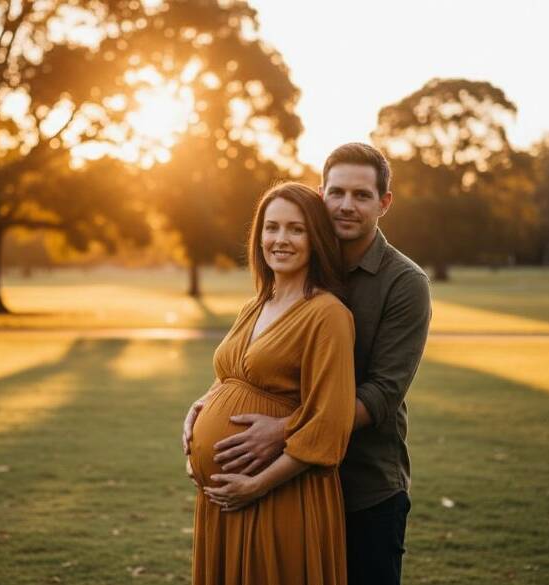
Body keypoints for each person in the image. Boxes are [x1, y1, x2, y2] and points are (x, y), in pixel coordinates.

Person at [183, 143, 431, 585]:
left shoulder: (402, 283)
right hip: (270, 480)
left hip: (362, 483)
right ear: (322, 193)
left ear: (384, 202)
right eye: (336, 193)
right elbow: (252, 367)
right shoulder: (287, 280)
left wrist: (281, 432)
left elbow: (382, 393)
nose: (346, 206)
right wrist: (205, 405)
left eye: (361, 195)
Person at [184, 181, 356, 584]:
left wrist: (256, 485)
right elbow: (232, 374)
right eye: (272, 227)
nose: (281, 239)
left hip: (280, 494)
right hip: (225, 498)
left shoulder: (327, 314)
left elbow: (329, 423)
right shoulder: (255, 304)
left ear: (316, 238)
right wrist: (200, 409)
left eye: (296, 229)